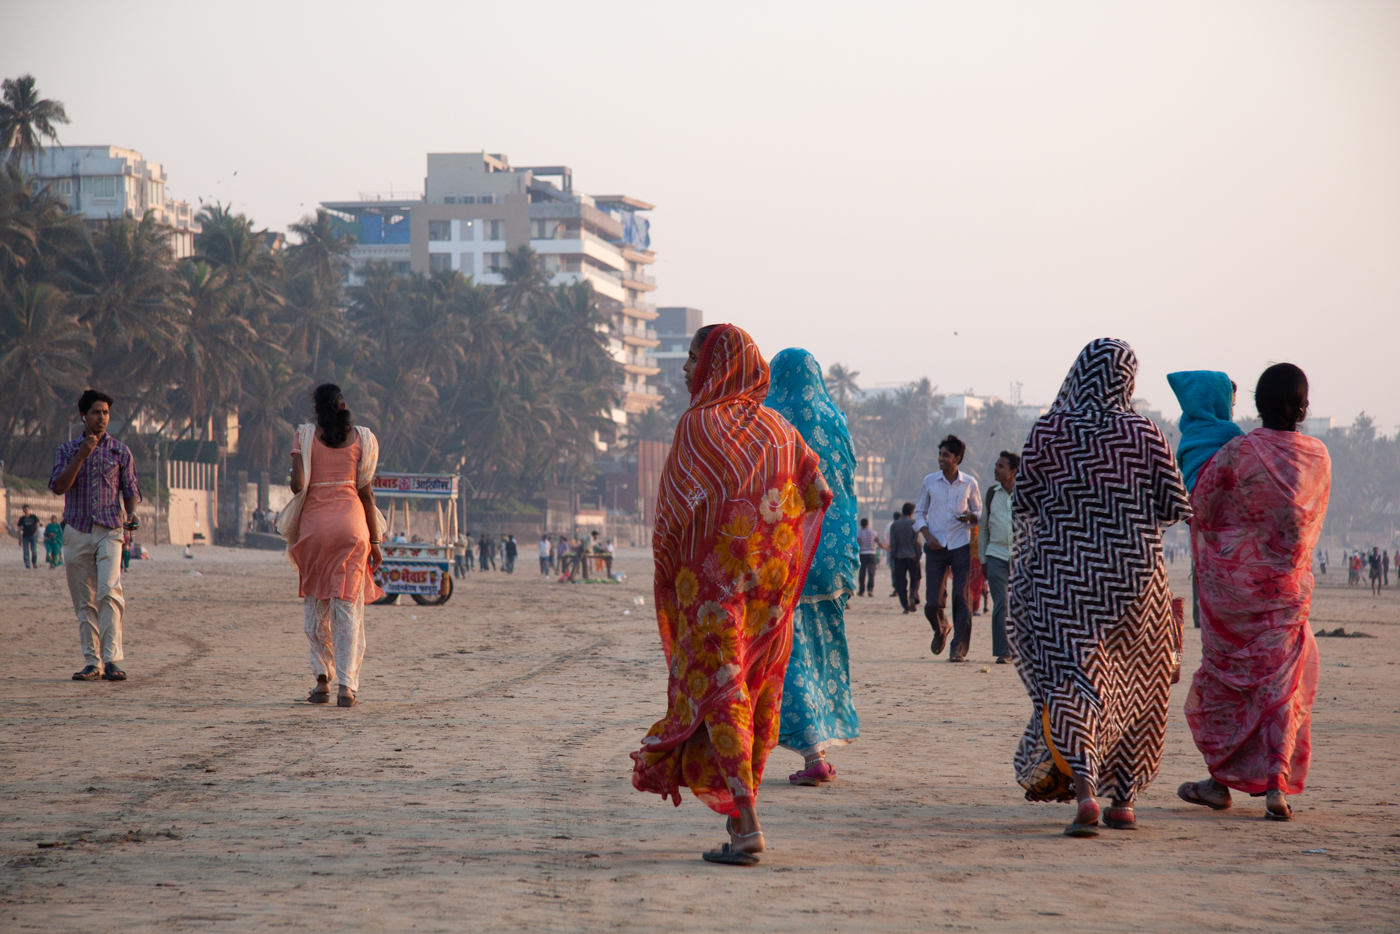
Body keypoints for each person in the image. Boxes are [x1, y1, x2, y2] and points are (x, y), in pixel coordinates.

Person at [631, 324, 831, 866]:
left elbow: (672, 515)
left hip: (713, 592)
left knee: (723, 695)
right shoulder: (782, 430)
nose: (685, 370)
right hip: (768, 594)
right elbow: (819, 492)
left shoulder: (696, 425)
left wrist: (678, 566)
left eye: (693, 358)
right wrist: (775, 552)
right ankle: (742, 814)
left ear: (715, 365)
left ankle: (745, 823)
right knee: (757, 690)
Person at [1010, 338, 1190, 837]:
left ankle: (1086, 787)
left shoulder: (1049, 429)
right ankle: (1125, 801)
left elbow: (1022, 499)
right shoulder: (1146, 432)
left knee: (1073, 679)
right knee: (1137, 683)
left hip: (1059, 578)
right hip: (1133, 579)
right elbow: (1175, 506)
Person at [1178, 363, 1330, 822]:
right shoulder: (1319, 457)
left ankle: (1219, 783)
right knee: (1280, 689)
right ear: (1304, 407)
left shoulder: (1236, 453)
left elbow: (1199, 506)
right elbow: (1306, 524)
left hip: (1232, 597)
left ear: (1258, 406)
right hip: (1285, 592)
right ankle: (1276, 788)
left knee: (1227, 685)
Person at [765, 347, 861, 786]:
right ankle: (823, 735)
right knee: (825, 648)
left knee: (792, 650)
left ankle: (812, 755)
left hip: (791, 549)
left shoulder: (772, 417)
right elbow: (848, 479)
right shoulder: (836, 418)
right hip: (836, 552)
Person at [280, 384, 384, 708]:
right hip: (352, 530)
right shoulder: (362, 439)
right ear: (343, 405)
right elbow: (366, 494)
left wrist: (297, 466)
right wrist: (376, 541)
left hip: (315, 532)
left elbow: (298, 485)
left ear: (317, 408)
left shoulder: (306, 435)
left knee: (317, 607)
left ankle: (322, 681)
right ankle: (347, 688)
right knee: (348, 609)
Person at [48, 389, 142, 682]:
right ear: (83, 416)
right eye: (96, 413)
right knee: (83, 600)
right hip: (76, 529)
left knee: (109, 591)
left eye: (105, 413)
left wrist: (132, 513)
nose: (102, 418)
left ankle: (112, 659)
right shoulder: (66, 450)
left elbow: (131, 490)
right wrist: (81, 456)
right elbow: (59, 486)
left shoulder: (120, 451)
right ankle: (93, 661)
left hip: (110, 529)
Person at [913, 435, 981, 661]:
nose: (940, 458)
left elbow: (978, 513)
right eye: (940, 454)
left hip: (961, 545)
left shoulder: (970, 483)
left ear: (957, 458)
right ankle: (941, 627)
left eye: (946, 455)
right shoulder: (929, 481)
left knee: (962, 599)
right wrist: (926, 534)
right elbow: (920, 512)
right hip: (935, 547)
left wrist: (971, 516)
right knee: (932, 602)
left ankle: (958, 650)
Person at [978, 451, 1017, 664]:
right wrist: (983, 559)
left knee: (1021, 605)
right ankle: (1003, 651)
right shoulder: (991, 493)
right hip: (996, 556)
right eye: (996, 465)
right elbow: (983, 528)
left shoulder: (1026, 494)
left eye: (1001, 466)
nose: (996, 469)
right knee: (1001, 603)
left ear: (1013, 471)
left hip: (1021, 558)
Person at [888, 502, 922, 613]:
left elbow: (892, 542)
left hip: (899, 556)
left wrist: (893, 554)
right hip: (912, 556)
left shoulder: (895, 524)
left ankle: (906, 607)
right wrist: (918, 555)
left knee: (900, 582)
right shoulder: (914, 523)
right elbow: (917, 542)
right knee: (916, 578)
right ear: (912, 512)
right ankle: (913, 595)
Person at [855, 518, 879, 597]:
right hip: (872, 554)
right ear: (867, 524)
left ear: (861, 524)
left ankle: (861, 591)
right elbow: (878, 542)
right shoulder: (873, 533)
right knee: (871, 573)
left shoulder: (858, 533)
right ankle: (870, 590)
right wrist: (886, 547)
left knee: (862, 573)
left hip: (862, 555)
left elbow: (857, 544)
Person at [17, 504, 40, 568]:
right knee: (26, 551)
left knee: (34, 550)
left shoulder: (33, 517)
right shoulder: (22, 519)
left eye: (26, 509)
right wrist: (19, 538)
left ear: (29, 509)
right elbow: (19, 528)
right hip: (25, 536)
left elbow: (38, 525)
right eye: (24, 510)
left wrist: (36, 533)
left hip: (32, 535)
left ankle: (34, 562)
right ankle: (27, 564)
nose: (25, 511)